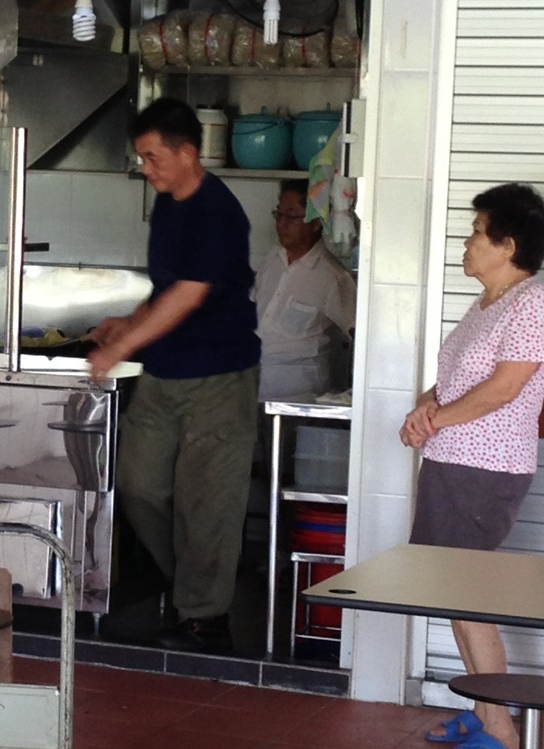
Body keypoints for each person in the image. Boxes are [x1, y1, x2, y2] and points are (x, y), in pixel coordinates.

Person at [89, 98, 260, 653]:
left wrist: (121, 349)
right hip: (165, 371)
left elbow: (189, 295)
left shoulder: (219, 212)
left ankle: (205, 616)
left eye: (153, 157)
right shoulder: (167, 206)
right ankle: (189, 583)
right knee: (139, 485)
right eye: (142, 158)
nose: (147, 169)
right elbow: (165, 292)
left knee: (206, 500)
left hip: (219, 377)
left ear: (188, 153)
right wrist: (128, 324)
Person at [400, 183, 544, 749]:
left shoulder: (532, 302)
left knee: (469, 595)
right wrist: (424, 410)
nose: (466, 242)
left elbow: (504, 387)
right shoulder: (488, 302)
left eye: (475, 231)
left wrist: (435, 416)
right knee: (452, 589)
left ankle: (501, 727)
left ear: (507, 244)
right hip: (452, 460)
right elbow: (456, 381)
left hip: (486, 469)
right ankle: (484, 701)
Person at [254, 179, 356, 403]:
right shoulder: (273, 258)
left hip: (300, 398)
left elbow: (358, 334)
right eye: (278, 214)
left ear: (315, 222)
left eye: (291, 216)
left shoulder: (332, 277)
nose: (281, 223)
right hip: (255, 389)